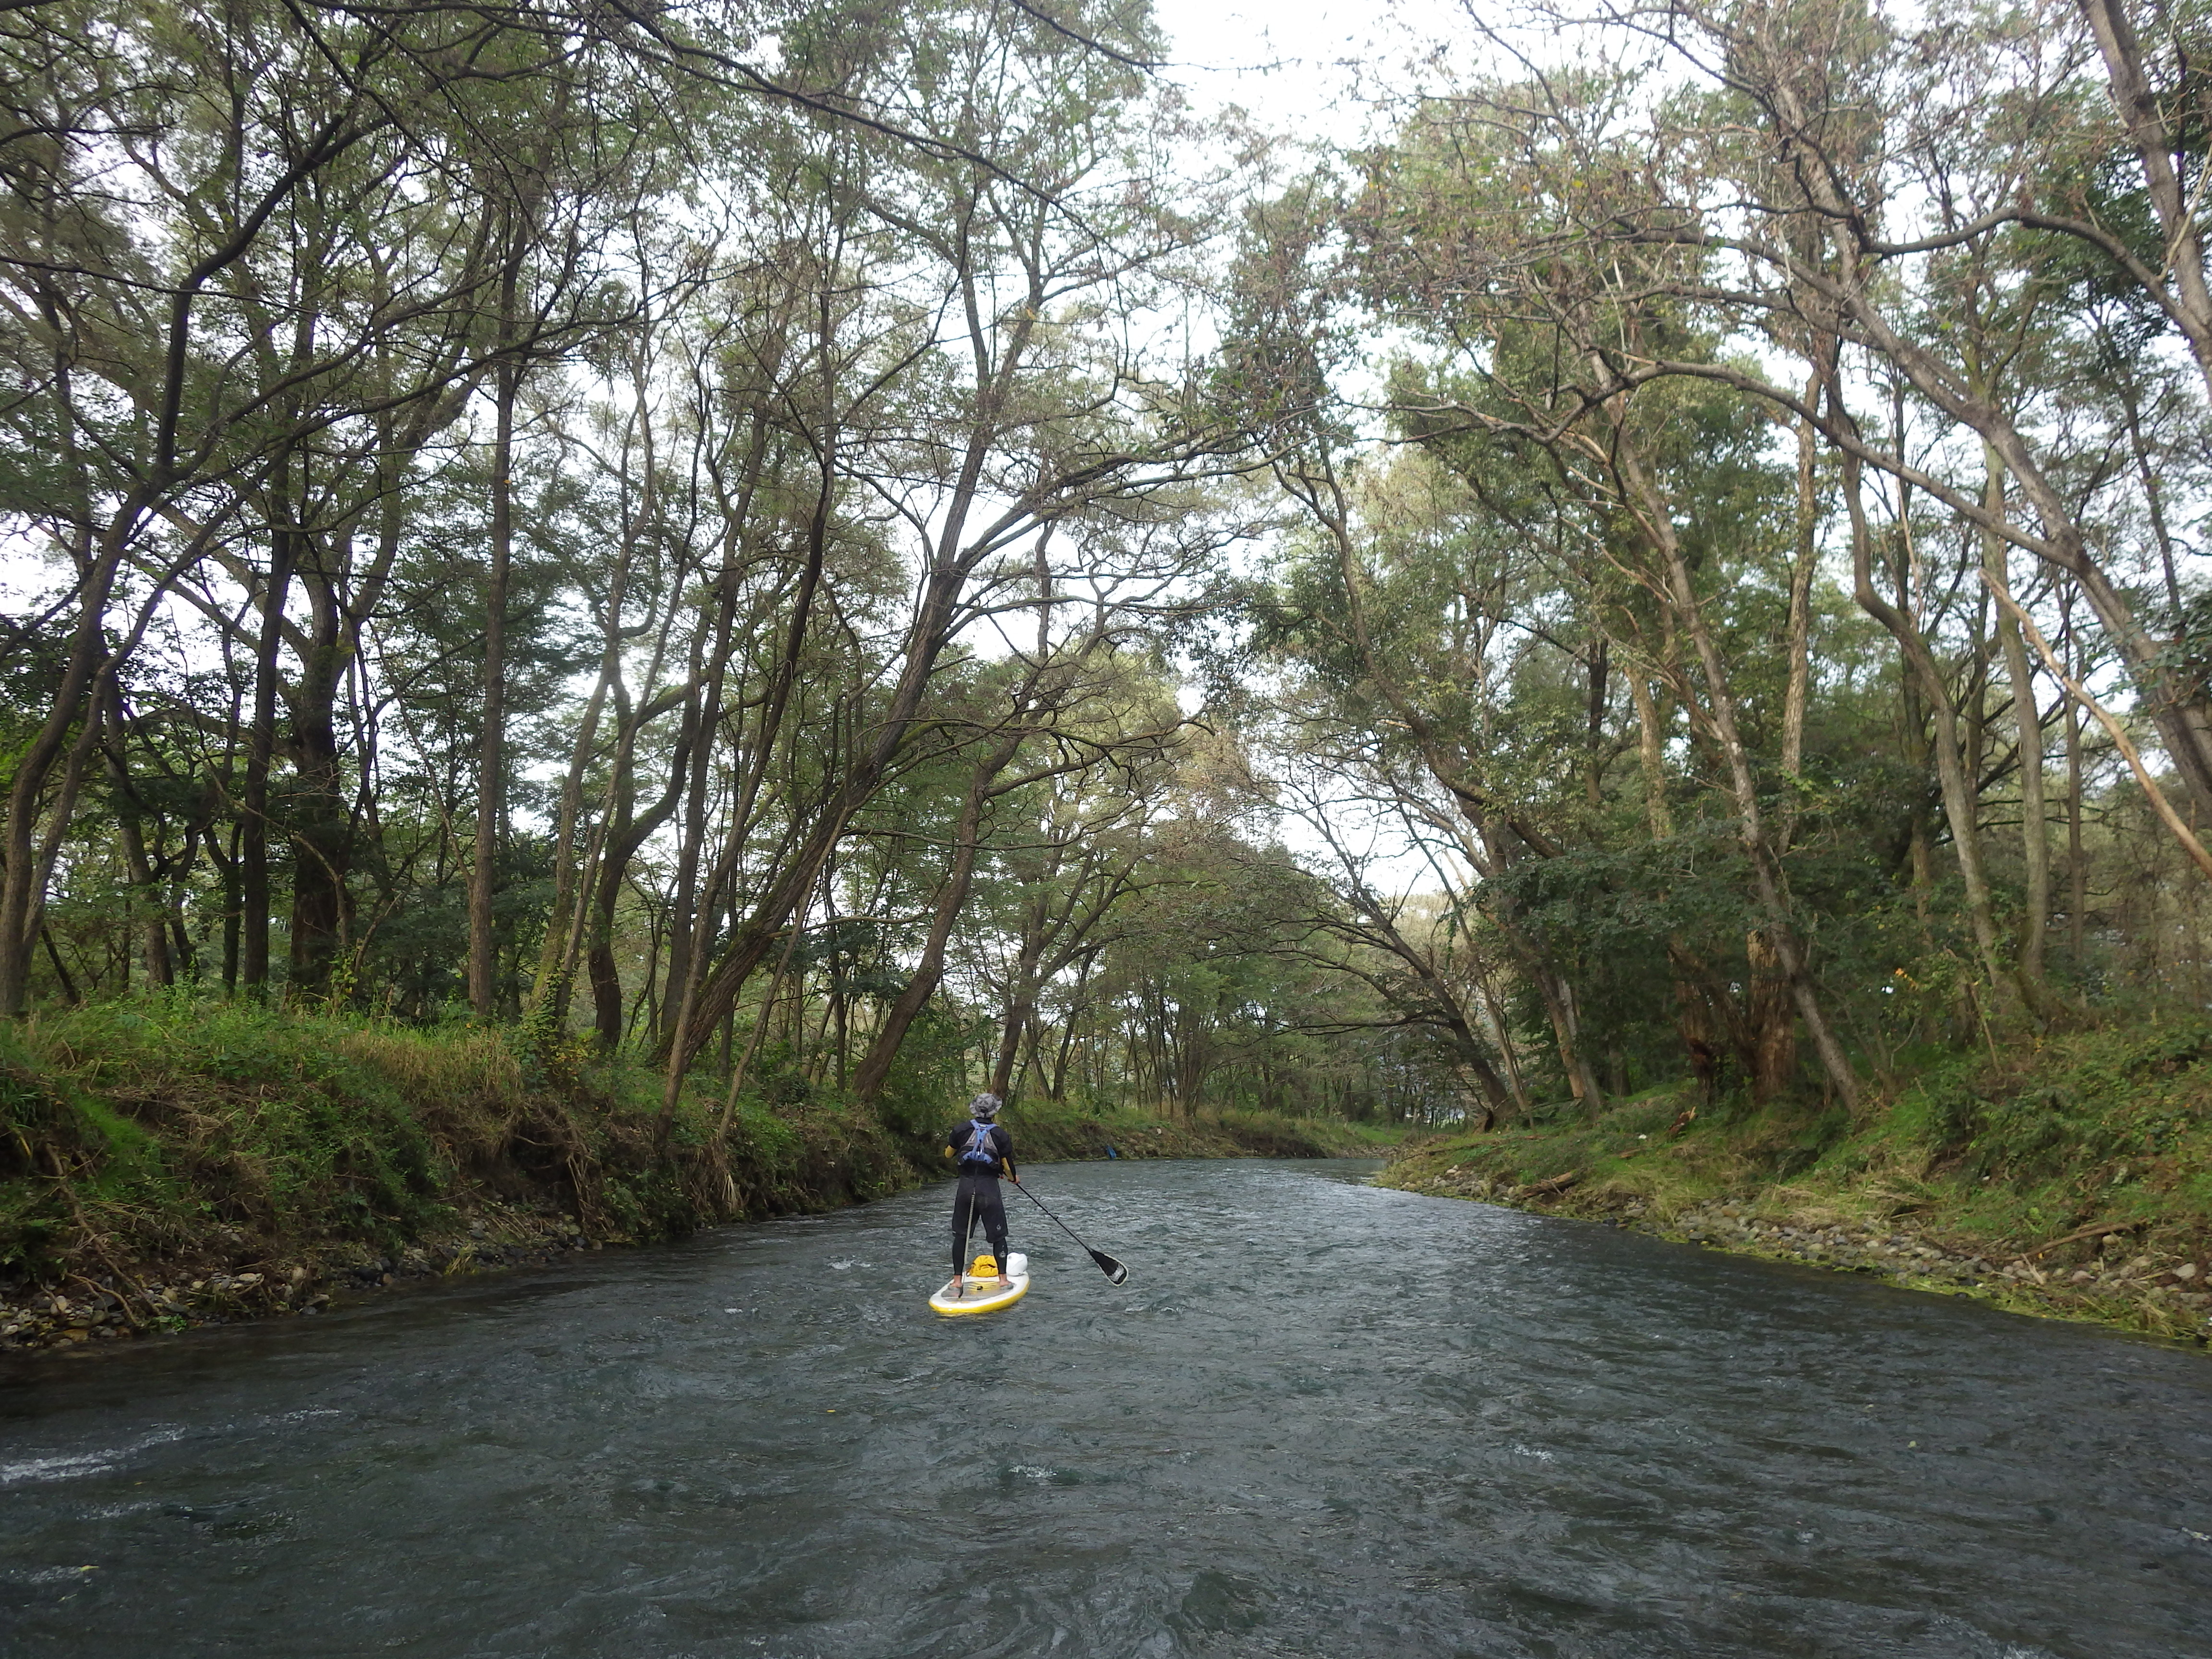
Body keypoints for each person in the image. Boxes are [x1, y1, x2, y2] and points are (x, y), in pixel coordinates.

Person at [945, 1093, 1016, 1289]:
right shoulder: (1001, 1134)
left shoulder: (961, 1129)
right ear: (994, 1113)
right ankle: (1003, 1280)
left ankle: (957, 1281)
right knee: (998, 1236)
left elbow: (948, 1153)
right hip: (989, 1189)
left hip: (966, 1188)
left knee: (961, 1236)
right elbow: (1008, 1166)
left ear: (975, 1109)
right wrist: (1013, 1178)